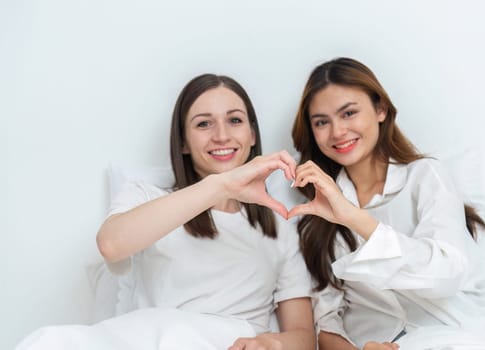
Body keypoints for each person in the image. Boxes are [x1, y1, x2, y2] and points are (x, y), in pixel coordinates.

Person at [15, 74, 315, 350]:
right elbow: (111, 244)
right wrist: (220, 186)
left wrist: (271, 344)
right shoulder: (146, 196)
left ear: (252, 134)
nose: (221, 135)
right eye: (203, 124)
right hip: (150, 337)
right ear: (183, 142)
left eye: (234, 120)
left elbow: (303, 336)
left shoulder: (279, 227)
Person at [288, 57, 485, 350]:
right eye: (321, 122)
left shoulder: (425, 177)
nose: (337, 131)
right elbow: (327, 321)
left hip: (453, 336)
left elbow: (445, 273)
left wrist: (354, 217)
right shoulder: (316, 215)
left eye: (349, 113)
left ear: (381, 110)